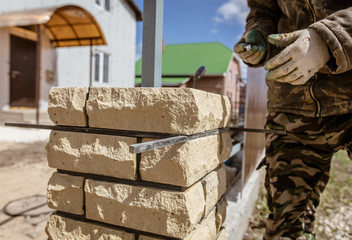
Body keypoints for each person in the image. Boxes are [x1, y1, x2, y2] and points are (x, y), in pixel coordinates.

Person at [234, 1, 352, 239]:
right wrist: (259, 37)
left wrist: (329, 39)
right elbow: (263, 10)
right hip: (292, 107)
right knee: (286, 227)